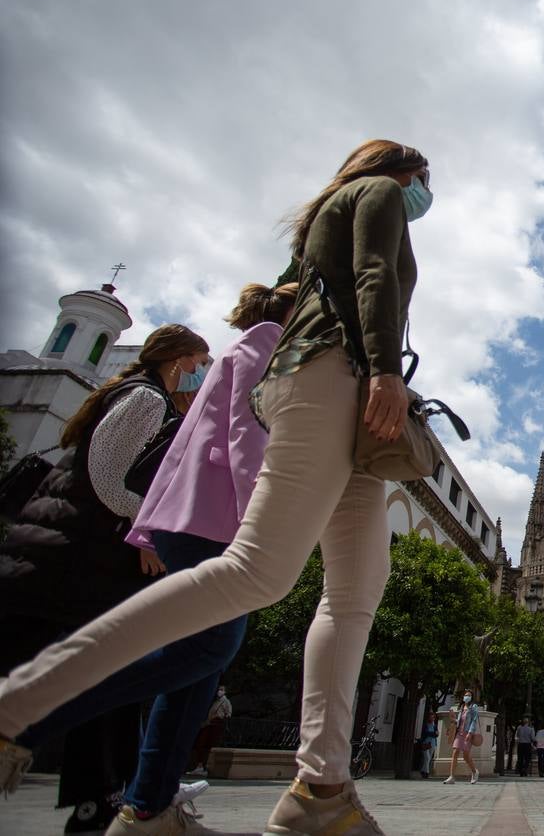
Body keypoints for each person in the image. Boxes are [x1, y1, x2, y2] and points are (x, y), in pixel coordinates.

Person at [0, 140, 436, 835]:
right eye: (424, 179)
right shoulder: (377, 193)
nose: (425, 193)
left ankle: (321, 788)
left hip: (347, 403)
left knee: (356, 590)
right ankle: (14, 707)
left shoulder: (321, 220)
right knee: (258, 571)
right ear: (402, 170)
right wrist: (386, 370)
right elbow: (374, 275)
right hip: (333, 379)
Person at [0, 323, 209, 832]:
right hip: (65, 568)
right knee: (103, 674)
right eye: (200, 362)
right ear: (179, 360)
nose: (202, 375)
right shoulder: (143, 399)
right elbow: (107, 477)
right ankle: (103, 798)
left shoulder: (132, 396)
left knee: (101, 676)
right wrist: (154, 529)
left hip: (65, 565)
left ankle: (101, 799)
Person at [189, 685, 234, 776]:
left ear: (225, 692)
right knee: (201, 744)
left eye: (222, 690)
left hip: (216, 725)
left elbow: (228, 714)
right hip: (209, 724)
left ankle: (203, 767)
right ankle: (200, 766)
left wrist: (220, 718)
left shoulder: (225, 701)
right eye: (219, 689)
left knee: (209, 745)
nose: (219, 691)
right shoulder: (216, 701)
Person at [444, 690, 480, 785]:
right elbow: (459, 721)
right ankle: (451, 777)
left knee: (466, 756)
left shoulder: (473, 707)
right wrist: (453, 720)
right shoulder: (461, 707)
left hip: (467, 733)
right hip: (459, 733)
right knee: (455, 752)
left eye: (469, 695)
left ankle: (474, 771)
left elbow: (474, 720)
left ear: (472, 697)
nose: (466, 697)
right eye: (465, 695)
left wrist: (470, 732)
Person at [418, 712, 438, 779]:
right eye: (431, 717)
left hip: (432, 743)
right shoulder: (426, 725)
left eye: (433, 717)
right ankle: (427, 772)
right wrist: (433, 733)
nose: (432, 719)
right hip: (425, 743)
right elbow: (426, 733)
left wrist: (433, 734)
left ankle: (423, 771)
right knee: (427, 758)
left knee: (428, 759)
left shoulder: (434, 725)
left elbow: (436, 734)